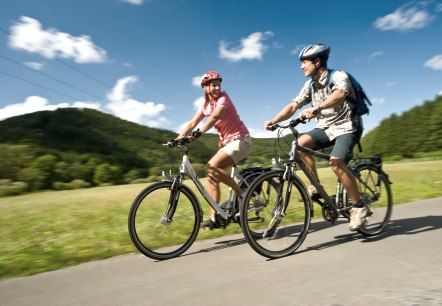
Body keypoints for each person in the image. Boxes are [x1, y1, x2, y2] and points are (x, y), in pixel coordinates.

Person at [263, 44, 367, 231]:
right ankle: (316, 185)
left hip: (347, 126)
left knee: (336, 162)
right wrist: (274, 120)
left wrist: (316, 108)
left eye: (305, 62)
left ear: (317, 62)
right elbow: (293, 105)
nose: (301, 67)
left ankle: (359, 207)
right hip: (326, 128)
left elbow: (339, 94)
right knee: (300, 143)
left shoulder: (338, 76)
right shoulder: (309, 85)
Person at [177, 70, 252, 230]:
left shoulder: (224, 99)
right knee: (212, 176)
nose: (217, 88)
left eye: (218, 85)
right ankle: (214, 217)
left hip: (241, 140)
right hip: (228, 144)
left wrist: (199, 133)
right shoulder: (205, 105)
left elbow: (215, 117)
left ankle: (242, 194)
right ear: (205, 88)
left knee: (212, 165)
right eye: (213, 85)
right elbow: (192, 122)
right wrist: (178, 138)